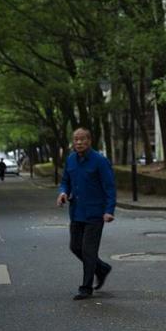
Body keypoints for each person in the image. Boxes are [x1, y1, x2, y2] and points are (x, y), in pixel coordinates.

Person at [57, 128, 116, 300]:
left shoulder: (100, 161)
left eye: (82, 139)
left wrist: (109, 210)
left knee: (88, 250)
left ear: (89, 141)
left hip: (95, 213)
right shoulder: (71, 160)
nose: (79, 143)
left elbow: (110, 187)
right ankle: (102, 268)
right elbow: (65, 181)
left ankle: (86, 287)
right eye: (76, 139)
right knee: (75, 247)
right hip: (76, 212)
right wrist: (62, 193)